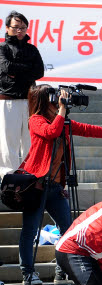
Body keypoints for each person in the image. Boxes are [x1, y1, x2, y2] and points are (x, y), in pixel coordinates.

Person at [18, 85, 102, 285]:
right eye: (53, 98)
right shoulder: (36, 121)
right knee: (30, 231)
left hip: (56, 187)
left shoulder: (62, 121)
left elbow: (88, 129)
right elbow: (51, 132)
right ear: (43, 101)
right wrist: (62, 110)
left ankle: (61, 271)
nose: (57, 100)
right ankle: (28, 273)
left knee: (68, 230)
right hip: (36, 186)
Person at [0, 11, 44, 177]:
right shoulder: (2, 48)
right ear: (7, 28)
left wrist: (18, 71)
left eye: (23, 27)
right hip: (7, 100)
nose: (19, 31)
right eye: (16, 27)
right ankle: (8, 178)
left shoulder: (32, 49)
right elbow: (6, 68)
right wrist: (27, 69)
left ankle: (30, 176)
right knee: (7, 142)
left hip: (29, 100)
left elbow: (39, 71)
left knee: (30, 141)